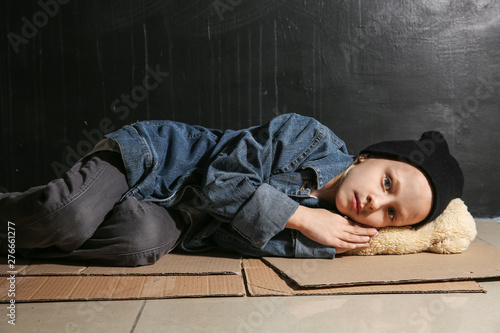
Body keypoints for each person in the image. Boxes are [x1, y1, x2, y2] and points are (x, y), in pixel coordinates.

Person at [0, 113, 464, 266]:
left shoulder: (331, 238)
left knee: (141, 245)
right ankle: (24, 219)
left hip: (178, 221)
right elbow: (222, 182)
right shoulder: (307, 136)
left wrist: (320, 237)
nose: (375, 203)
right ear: (368, 156)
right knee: (70, 216)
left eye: (390, 214)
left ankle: (16, 242)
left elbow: (228, 239)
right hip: (156, 163)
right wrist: (300, 215)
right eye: (387, 183)